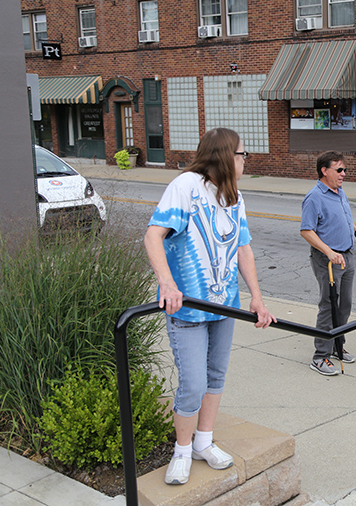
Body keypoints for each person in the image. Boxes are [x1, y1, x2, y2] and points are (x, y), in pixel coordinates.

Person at [144, 127, 276, 486]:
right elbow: (153, 235)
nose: (245, 160)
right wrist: (167, 284)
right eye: (242, 154)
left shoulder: (234, 196)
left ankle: (204, 442)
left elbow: (243, 248)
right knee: (193, 383)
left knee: (215, 377)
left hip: (225, 307)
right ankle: (182, 450)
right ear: (224, 156)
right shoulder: (185, 186)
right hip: (187, 306)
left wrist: (257, 297)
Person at [301, 151, 356, 376]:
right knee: (329, 306)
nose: (343, 174)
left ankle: (337, 345)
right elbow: (306, 230)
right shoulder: (315, 197)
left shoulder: (339, 192)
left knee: (344, 304)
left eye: (344, 170)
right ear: (324, 171)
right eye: (339, 170)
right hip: (327, 260)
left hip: (346, 256)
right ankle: (320, 356)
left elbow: (346, 220)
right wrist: (328, 252)